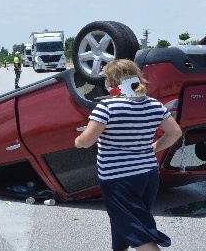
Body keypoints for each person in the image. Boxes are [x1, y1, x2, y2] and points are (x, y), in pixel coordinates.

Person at [75, 59, 182, 251]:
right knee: (125, 220)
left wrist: (79, 141)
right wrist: (154, 147)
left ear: (112, 81)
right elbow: (175, 132)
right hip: (148, 174)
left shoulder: (107, 107)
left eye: (106, 78)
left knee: (135, 229)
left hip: (118, 178)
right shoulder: (154, 104)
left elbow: (87, 140)